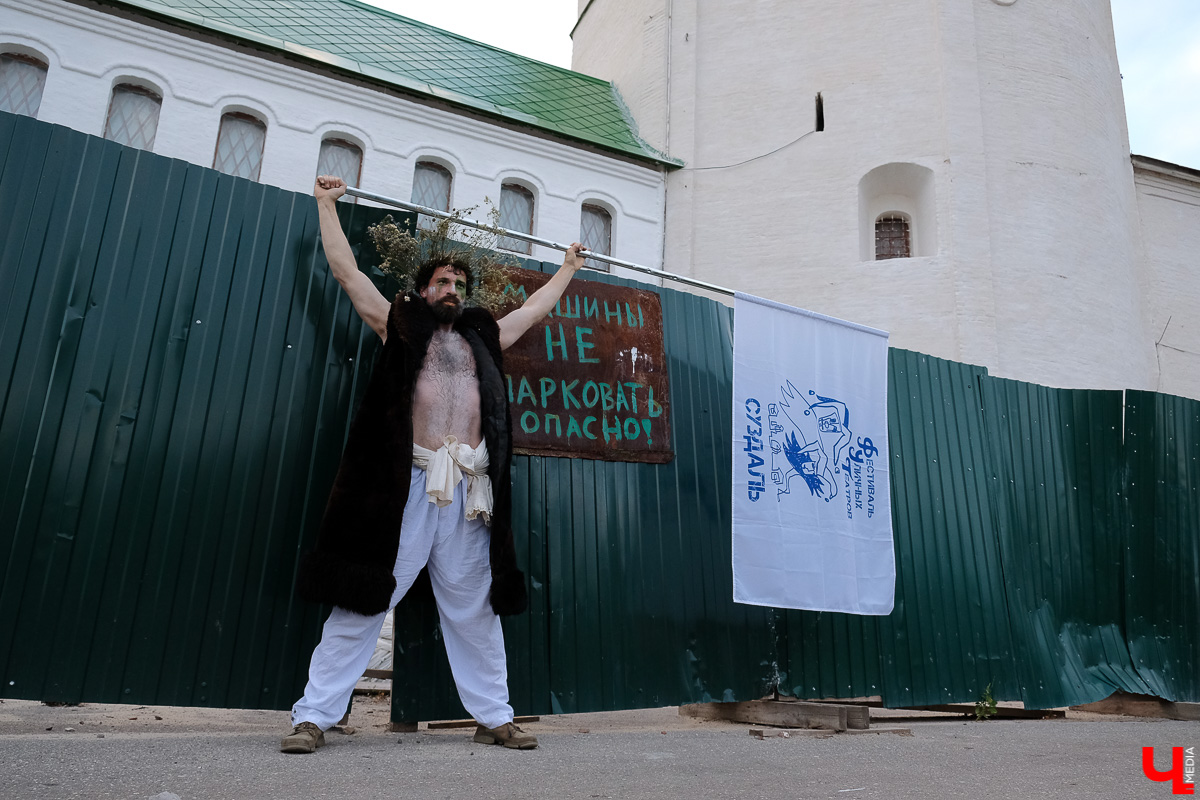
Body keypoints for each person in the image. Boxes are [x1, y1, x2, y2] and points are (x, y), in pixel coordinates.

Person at [281, 175, 587, 754]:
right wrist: (325, 205)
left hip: (469, 492)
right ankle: (313, 716)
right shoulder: (396, 329)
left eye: (460, 283)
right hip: (406, 488)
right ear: (423, 291)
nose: (453, 288)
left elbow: (536, 309)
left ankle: (495, 716)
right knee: (363, 601)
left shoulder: (484, 340)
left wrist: (568, 267)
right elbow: (348, 274)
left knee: (475, 609)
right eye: (443, 281)